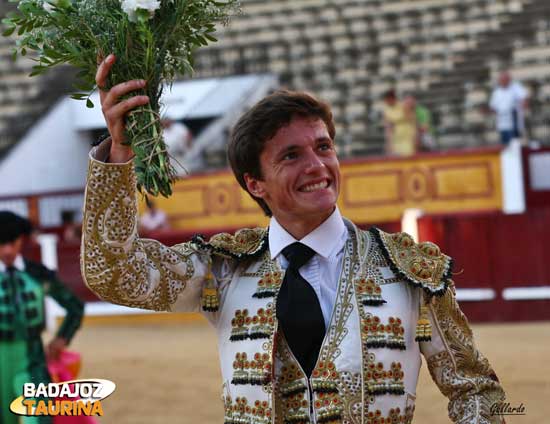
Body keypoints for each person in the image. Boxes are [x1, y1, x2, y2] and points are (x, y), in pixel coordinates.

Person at [81, 53, 506, 423]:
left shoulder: (411, 274)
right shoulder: (224, 270)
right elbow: (113, 273)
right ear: (256, 184)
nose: (318, 166)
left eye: (323, 147)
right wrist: (119, 156)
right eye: (291, 156)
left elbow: (476, 390)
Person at [0, 211, 84, 424]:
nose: (7, 250)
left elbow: (75, 306)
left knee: (37, 419)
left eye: (12, 242)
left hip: (32, 360)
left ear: (21, 240)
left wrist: (62, 338)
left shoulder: (38, 274)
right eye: (1, 244)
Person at [489, 71, 529, 145]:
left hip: (514, 122)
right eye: (501, 80)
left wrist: (522, 106)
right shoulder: (496, 92)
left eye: (505, 79)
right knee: (506, 144)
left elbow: (524, 99)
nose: (503, 81)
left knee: (515, 143)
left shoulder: (516, 88)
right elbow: (493, 107)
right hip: (502, 123)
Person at [382, 90, 418, 156]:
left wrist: (415, 137)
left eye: (387, 100)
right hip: (397, 138)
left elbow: (413, 120)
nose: (386, 102)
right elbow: (388, 128)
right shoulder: (386, 111)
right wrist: (389, 143)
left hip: (408, 136)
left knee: (409, 156)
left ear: (392, 98)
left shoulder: (404, 106)